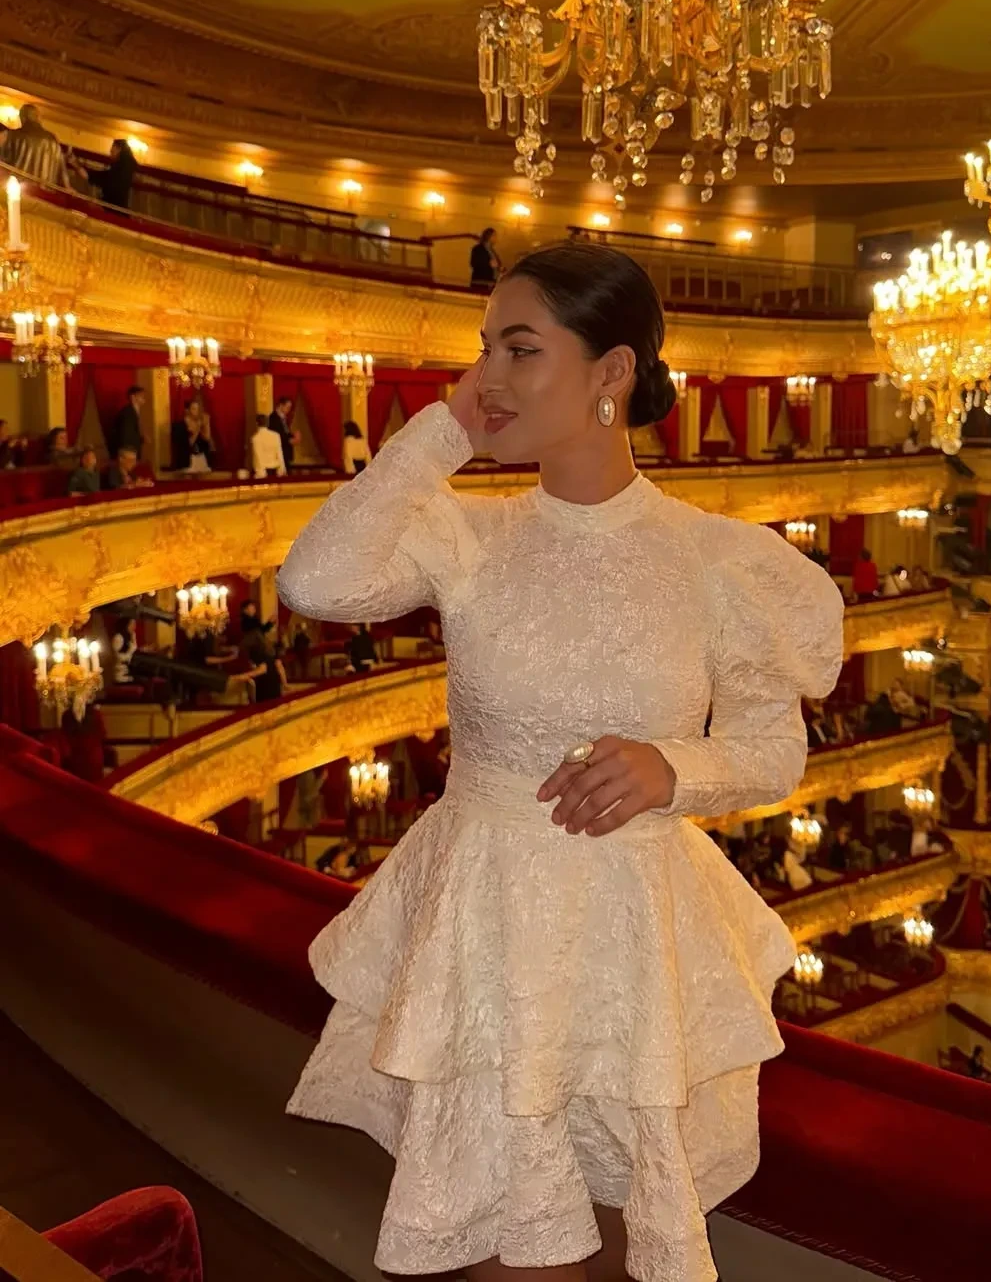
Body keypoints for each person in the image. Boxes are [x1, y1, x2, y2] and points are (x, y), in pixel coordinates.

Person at [277, 241, 845, 1282]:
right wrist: (444, 430)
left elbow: (772, 750)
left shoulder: (717, 559)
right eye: (484, 348)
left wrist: (672, 769)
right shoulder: (467, 534)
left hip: (634, 939)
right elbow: (315, 581)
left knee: (624, 1235)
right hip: (485, 933)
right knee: (512, 1254)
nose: (488, 375)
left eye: (520, 349)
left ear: (611, 371)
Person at [0, 103, 71, 188]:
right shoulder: (53, 140)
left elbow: (3, 162)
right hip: (44, 191)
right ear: (38, 118)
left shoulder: (13, 136)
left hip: (16, 188)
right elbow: (62, 170)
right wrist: (68, 187)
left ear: (23, 118)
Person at [82, 138, 137, 210]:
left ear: (118, 149)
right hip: (117, 209)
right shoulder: (125, 171)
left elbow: (106, 182)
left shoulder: (116, 173)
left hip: (112, 210)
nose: (110, 153)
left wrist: (100, 203)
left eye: (112, 151)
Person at [171, 400, 216, 472]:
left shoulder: (198, 424)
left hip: (200, 462)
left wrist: (207, 424)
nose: (197, 411)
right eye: (194, 409)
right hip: (186, 463)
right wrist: (197, 428)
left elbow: (207, 438)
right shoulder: (179, 426)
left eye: (198, 409)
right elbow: (188, 444)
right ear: (187, 410)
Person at [110, 385, 146, 461]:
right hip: (129, 453)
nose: (143, 397)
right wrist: (128, 453)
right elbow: (126, 435)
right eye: (141, 395)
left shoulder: (134, 411)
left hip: (132, 451)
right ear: (133, 397)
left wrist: (142, 438)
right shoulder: (127, 413)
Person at [249, 412, 287, 479]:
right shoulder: (276, 436)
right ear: (267, 423)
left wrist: (260, 474)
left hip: (262, 472)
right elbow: (279, 453)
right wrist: (282, 469)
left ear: (257, 423)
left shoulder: (256, 438)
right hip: (276, 470)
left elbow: (258, 457)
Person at [268, 397, 299, 469]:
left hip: (285, 453)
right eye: (287, 407)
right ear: (281, 405)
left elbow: (285, 433)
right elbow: (276, 435)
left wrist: (293, 435)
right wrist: (289, 440)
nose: (289, 410)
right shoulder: (273, 418)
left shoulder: (283, 418)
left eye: (290, 408)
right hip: (278, 453)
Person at [110, 618, 138, 685]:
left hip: (128, 670)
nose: (134, 627)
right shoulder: (118, 637)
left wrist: (133, 638)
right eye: (131, 624)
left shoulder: (128, 637)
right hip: (120, 674)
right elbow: (116, 657)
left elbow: (133, 649)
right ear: (125, 625)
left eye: (134, 624)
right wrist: (130, 653)